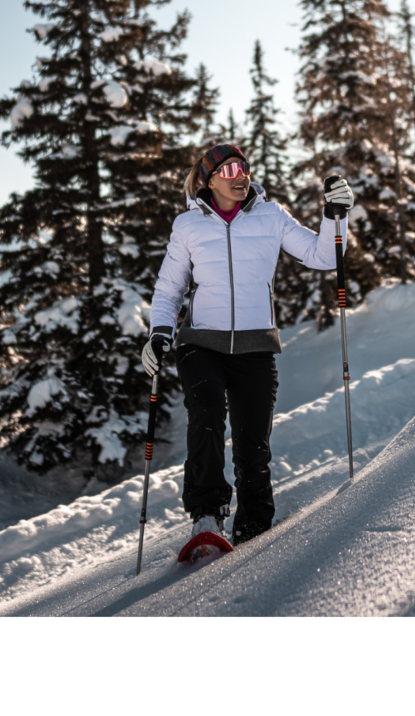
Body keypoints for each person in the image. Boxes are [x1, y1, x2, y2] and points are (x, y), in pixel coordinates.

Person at [141, 143, 354, 545]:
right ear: (209, 179)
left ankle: (254, 527)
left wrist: (335, 216)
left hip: (256, 347)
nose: (241, 175)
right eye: (231, 169)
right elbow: (169, 289)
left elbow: (323, 256)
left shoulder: (271, 216)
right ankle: (206, 515)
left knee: (252, 444)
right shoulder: (188, 226)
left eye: (245, 167)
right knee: (205, 415)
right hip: (201, 342)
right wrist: (159, 331)